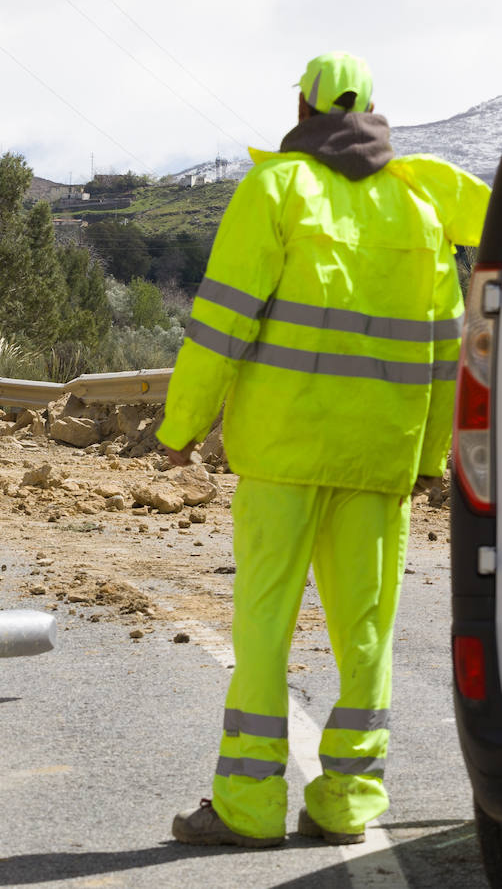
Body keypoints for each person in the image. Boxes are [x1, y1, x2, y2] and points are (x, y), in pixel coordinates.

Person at [161, 51, 491, 848]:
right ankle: (346, 802)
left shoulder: (275, 190)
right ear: (372, 111)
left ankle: (247, 808)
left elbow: (221, 323)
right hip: (378, 462)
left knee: (265, 629)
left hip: (282, 456)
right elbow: (448, 348)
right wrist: (424, 459)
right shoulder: (418, 207)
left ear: (302, 108)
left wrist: (180, 428)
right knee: (367, 632)